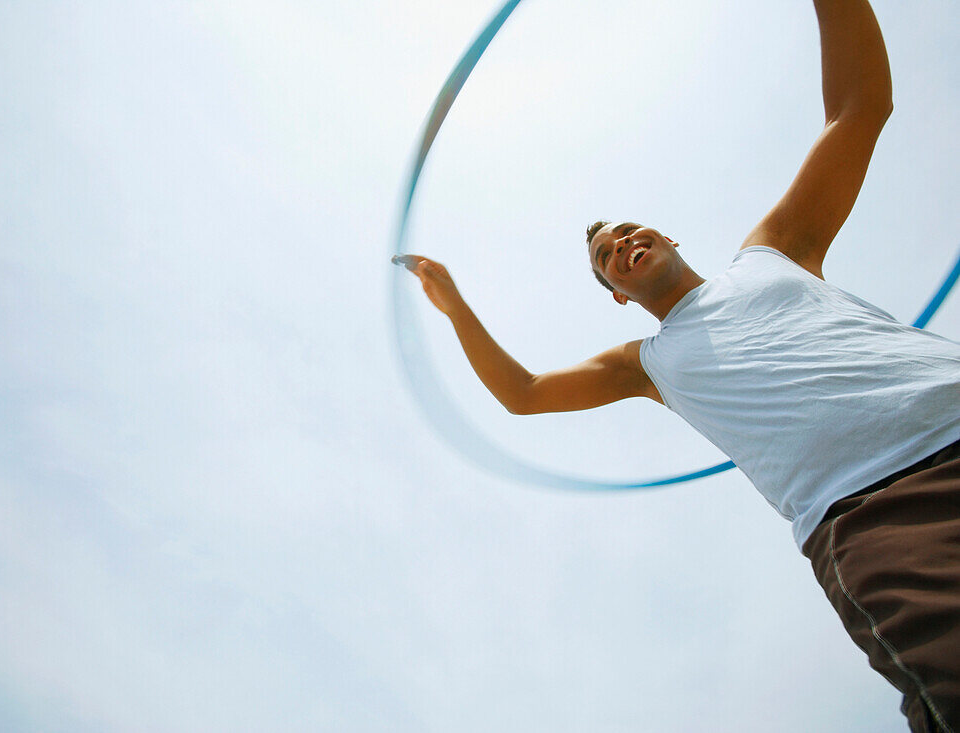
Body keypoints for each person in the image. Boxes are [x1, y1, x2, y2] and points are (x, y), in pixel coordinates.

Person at [396, 1, 960, 730]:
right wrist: (453, 302)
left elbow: (859, 109)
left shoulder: (774, 250)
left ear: (664, 234)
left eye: (629, 231)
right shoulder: (647, 362)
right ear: (618, 296)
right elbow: (524, 393)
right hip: (877, 508)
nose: (622, 244)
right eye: (606, 257)